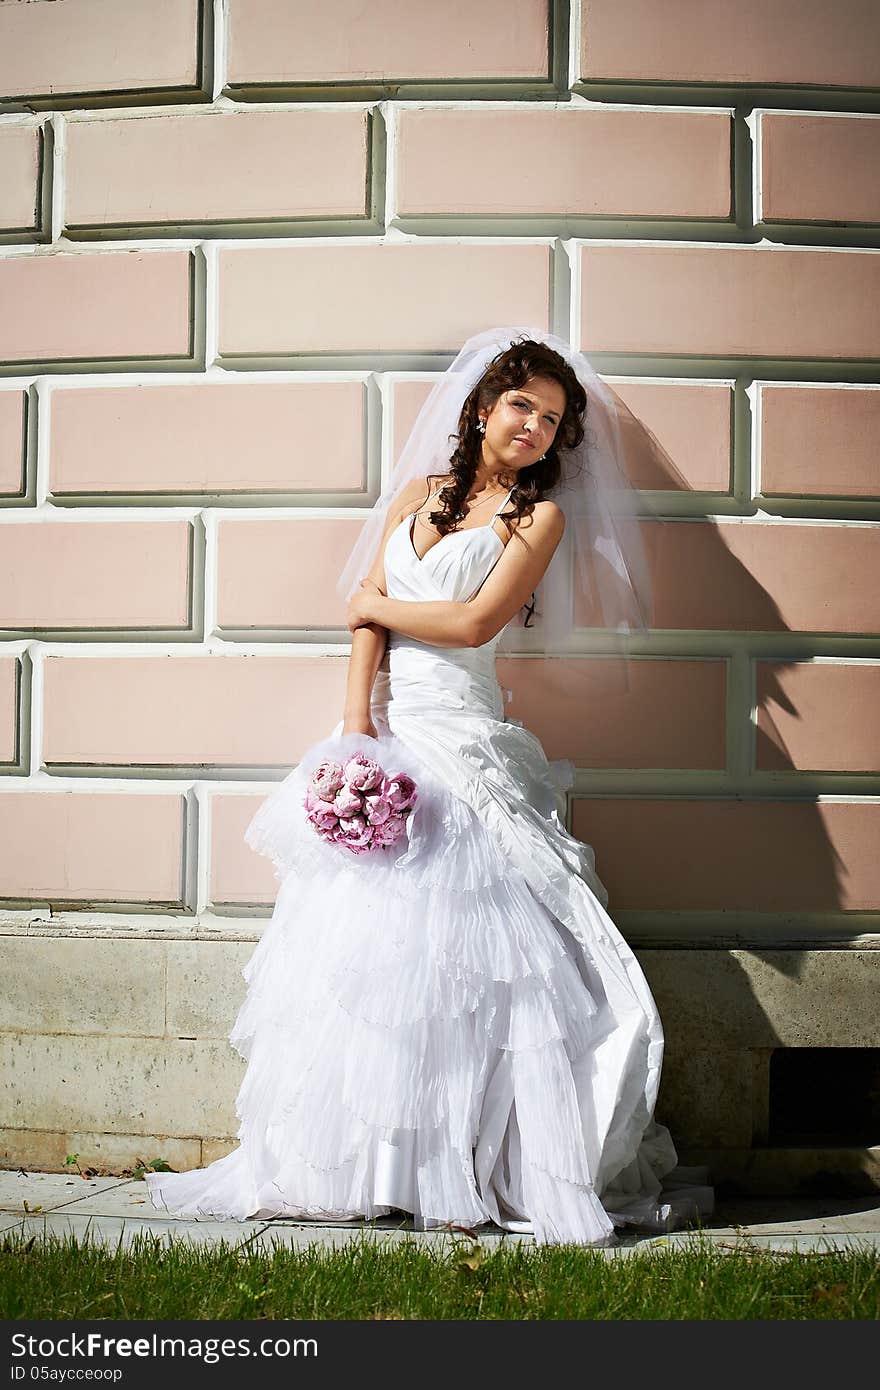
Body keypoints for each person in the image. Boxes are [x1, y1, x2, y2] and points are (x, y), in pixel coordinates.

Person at [145, 327, 714, 1247]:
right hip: (388, 733)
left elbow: (472, 620)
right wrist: (357, 727)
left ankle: (481, 1164)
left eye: (553, 419)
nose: (534, 426)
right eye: (522, 404)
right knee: (368, 958)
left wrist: (372, 604)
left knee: (480, 962)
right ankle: (372, 1166)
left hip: (465, 736)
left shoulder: (537, 519)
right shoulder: (417, 496)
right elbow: (366, 616)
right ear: (485, 408)